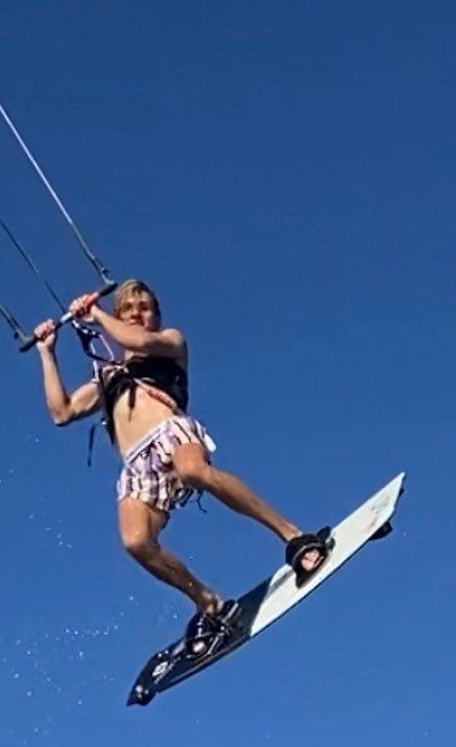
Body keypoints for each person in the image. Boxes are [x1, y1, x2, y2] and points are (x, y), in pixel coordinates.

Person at [33, 279, 329, 656]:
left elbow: (138, 343)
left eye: (146, 309)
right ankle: (208, 602)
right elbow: (62, 412)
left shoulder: (170, 342)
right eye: (130, 310)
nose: (139, 315)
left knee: (192, 470)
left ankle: (293, 536)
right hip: (137, 464)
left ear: (157, 316)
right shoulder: (107, 377)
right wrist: (48, 353)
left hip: (170, 432)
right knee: (135, 542)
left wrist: (95, 314)